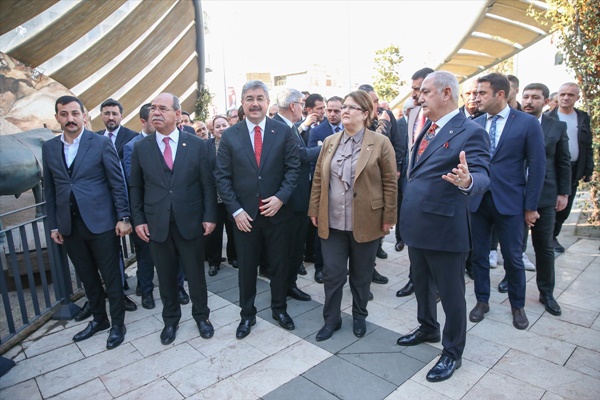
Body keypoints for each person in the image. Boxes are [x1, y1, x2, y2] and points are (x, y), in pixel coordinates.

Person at [396, 71, 490, 382]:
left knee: (450, 295)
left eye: (425, 91)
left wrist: (469, 181)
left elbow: (481, 174)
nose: (419, 97)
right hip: (416, 225)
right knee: (421, 285)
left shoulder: (471, 131)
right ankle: (428, 327)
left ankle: (452, 352)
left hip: (445, 229)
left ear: (446, 93)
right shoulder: (426, 128)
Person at [43, 95, 131, 349]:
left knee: (111, 276)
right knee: (87, 277)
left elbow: (117, 182)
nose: (69, 119)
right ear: (58, 117)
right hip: (69, 227)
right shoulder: (49, 148)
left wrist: (123, 217)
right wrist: (54, 225)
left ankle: (117, 324)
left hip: (101, 223)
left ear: (84, 116)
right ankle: (100, 319)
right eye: (64, 114)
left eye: (74, 113)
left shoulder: (101, 143)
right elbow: (50, 190)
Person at [308, 90, 397, 341]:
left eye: (352, 107)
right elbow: (318, 179)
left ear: (366, 113)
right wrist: (314, 209)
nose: (345, 111)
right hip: (332, 221)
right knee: (333, 274)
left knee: (361, 275)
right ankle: (331, 320)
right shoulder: (329, 142)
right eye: (343, 106)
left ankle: (359, 316)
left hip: (367, 220)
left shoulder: (380, 142)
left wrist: (389, 216)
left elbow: (390, 182)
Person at [129, 93, 217, 345]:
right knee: (165, 277)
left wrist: (209, 215)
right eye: (153, 108)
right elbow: (135, 187)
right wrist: (138, 220)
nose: (156, 112)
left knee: (195, 275)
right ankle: (170, 321)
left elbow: (207, 185)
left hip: (190, 222)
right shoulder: (141, 147)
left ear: (177, 115)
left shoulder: (198, 145)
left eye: (163, 108)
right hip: (157, 224)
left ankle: (202, 317)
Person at [215, 80, 300, 339]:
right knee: (248, 268)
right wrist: (237, 211)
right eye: (249, 98)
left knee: (278, 265)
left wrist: (281, 198)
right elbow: (222, 177)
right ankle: (247, 314)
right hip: (245, 218)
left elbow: (293, 169)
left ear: (267, 102)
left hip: (276, 214)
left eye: (260, 98)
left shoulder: (282, 132)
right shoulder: (230, 135)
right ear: (242, 103)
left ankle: (279, 309)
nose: (255, 103)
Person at [469, 73, 546, 330]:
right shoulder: (475, 123)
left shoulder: (526, 123)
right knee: (478, 255)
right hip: (478, 202)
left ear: (500, 94)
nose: (476, 97)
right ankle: (482, 301)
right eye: (475, 93)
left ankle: (517, 306)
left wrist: (531, 206)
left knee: (513, 258)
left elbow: (537, 167)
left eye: (482, 93)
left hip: (511, 202)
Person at [517, 82, 571, 315]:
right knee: (514, 245)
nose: (529, 101)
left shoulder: (556, 127)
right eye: (526, 97)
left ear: (547, 101)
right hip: (515, 194)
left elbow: (563, 161)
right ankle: (512, 282)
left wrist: (563, 192)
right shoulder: (513, 123)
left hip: (545, 196)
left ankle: (546, 292)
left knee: (544, 247)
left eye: (536, 97)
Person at [272, 88, 321, 302]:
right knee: (286, 250)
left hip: (297, 199)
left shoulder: (289, 126)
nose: (303, 107)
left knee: (295, 250)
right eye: (301, 103)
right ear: (293, 106)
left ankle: (290, 285)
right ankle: (281, 291)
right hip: (288, 202)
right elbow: (300, 155)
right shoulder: (279, 127)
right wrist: (325, 147)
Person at [397, 67, 434, 298]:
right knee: (414, 239)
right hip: (411, 187)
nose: (415, 95)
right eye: (413, 90)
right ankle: (414, 279)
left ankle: (435, 284)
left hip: (435, 192)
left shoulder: (446, 120)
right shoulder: (412, 114)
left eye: (420, 90)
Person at [546, 82, 594, 253]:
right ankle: (548, 238)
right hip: (553, 168)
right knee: (550, 204)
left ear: (577, 98)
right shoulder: (548, 118)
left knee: (565, 206)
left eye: (570, 95)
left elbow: (587, 144)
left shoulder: (582, 118)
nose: (566, 98)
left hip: (574, 168)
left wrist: (588, 169)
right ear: (557, 96)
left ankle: (554, 235)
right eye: (563, 94)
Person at [205, 115, 238, 276]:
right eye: (217, 126)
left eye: (224, 125)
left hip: (232, 195)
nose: (221, 129)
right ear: (212, 130)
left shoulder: (235, 144)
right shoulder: (206, 146)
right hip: (214, 196)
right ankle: (214, 261)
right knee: (215, 231)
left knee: (233, 228)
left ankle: (234, 256)